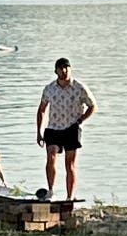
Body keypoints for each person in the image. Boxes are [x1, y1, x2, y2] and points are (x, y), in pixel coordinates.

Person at [35, 55, 94, 207]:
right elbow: (41, 110)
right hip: (53, 128)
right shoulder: (49, 89)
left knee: (69, 163)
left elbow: (92, 106)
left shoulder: (79, 87)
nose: (64, 70)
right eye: (61, 68)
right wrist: (39, 132)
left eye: (66, 68)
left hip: (71, 128)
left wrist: (80, 120)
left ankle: (69, 196)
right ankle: (50, 191)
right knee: (51, 157)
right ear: (56, 71)